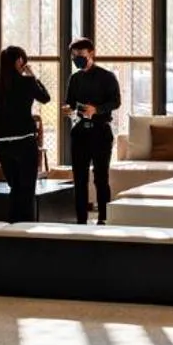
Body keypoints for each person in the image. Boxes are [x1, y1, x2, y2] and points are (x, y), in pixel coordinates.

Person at [0, 45, 50, 223]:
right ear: (19, 61)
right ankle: (25, 228)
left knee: (14, 187)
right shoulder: (27, 82)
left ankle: (12, 224)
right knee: (27, 188)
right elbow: (45, 97)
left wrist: (5, 116)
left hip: (3, 143)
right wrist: (33, 77)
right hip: (24, 141)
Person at [63, 37, 121, 224]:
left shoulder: (107, 76)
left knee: (100, 178)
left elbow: (116, 102)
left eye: (80, 55)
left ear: (91, 53)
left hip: (101, 132)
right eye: (73, 56)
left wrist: (96, 109)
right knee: (79, 179)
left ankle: (104, 218)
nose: (76, 59)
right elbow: (70, 102)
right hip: (79, 132)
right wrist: (68, 109)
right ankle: (81, 220)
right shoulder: (74, 78)